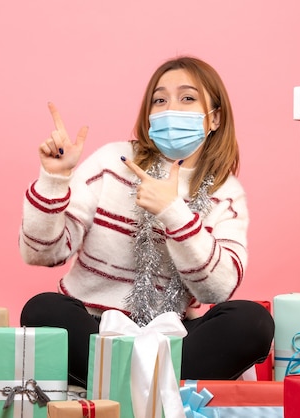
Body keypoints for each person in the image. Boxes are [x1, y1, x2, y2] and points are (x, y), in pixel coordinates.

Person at [19, 56, 275, 388]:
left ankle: (120, 384)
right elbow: (43, 253)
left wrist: (173, 212)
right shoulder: (114, 161)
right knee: (42, 311)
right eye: (160, 99)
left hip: (175, 337)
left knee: (253, 322)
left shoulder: (226, 193)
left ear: (214, 118)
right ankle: (157, 389)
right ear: (149, 114)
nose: (172, 109)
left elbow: (218, 288)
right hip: (95, 330)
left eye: (187, 97)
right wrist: (54, 180)